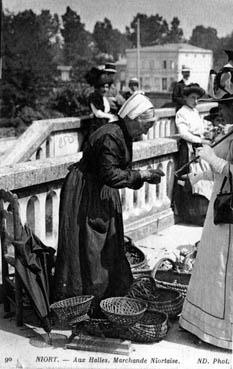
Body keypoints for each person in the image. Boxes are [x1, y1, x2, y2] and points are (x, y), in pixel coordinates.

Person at [53, 92, 165, 312]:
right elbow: (111, 175)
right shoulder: (111, 137)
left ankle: (104, 297)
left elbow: (115, 172)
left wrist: (142, 175)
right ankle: (87, 302)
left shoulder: (123, 134)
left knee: (105, 245)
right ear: (133, 119)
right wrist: (141, 175)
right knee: (90, 246)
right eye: (146, 125)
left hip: (99, 189)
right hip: (85, 191)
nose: (147, 131)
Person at [179, 92, 233, 350]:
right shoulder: (230, 132)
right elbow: (219, 168)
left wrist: (211, 157)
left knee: (227, 269)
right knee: (213, 262)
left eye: (225, 106)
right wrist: (197, 176)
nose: (220, 111)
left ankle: (224, 332)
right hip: (220, 209)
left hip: (230, 216)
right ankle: (205, 324)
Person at [174, 83, 213, 225]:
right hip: (188, 148)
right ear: (185, 98)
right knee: (190, 179)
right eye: (192, 98)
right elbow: (183, 133)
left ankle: (202, 212)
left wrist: (206, 135)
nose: (195, 101)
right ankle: (190, 213)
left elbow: (200, 129)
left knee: (203, 177)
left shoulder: (195, 112)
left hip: (199, 147)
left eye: (197, 98)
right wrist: (199, 140)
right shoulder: (181, 112)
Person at [86, 69, 117, 135]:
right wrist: (111, 116)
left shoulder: (104, 98)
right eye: (103, 87)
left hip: (105, 127)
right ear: (98, 86)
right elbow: (98, 113)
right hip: (97, 128)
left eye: (107, 87)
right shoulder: (93, 96)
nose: (105, 89)